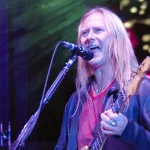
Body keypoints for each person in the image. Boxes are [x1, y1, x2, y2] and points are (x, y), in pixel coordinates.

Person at [54, 6, 150, 150]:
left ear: (116, 39)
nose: (89, 37)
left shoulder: (141, 88)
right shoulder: (75, 101)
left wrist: (129, 130)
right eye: (84, 33)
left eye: (98, 30)